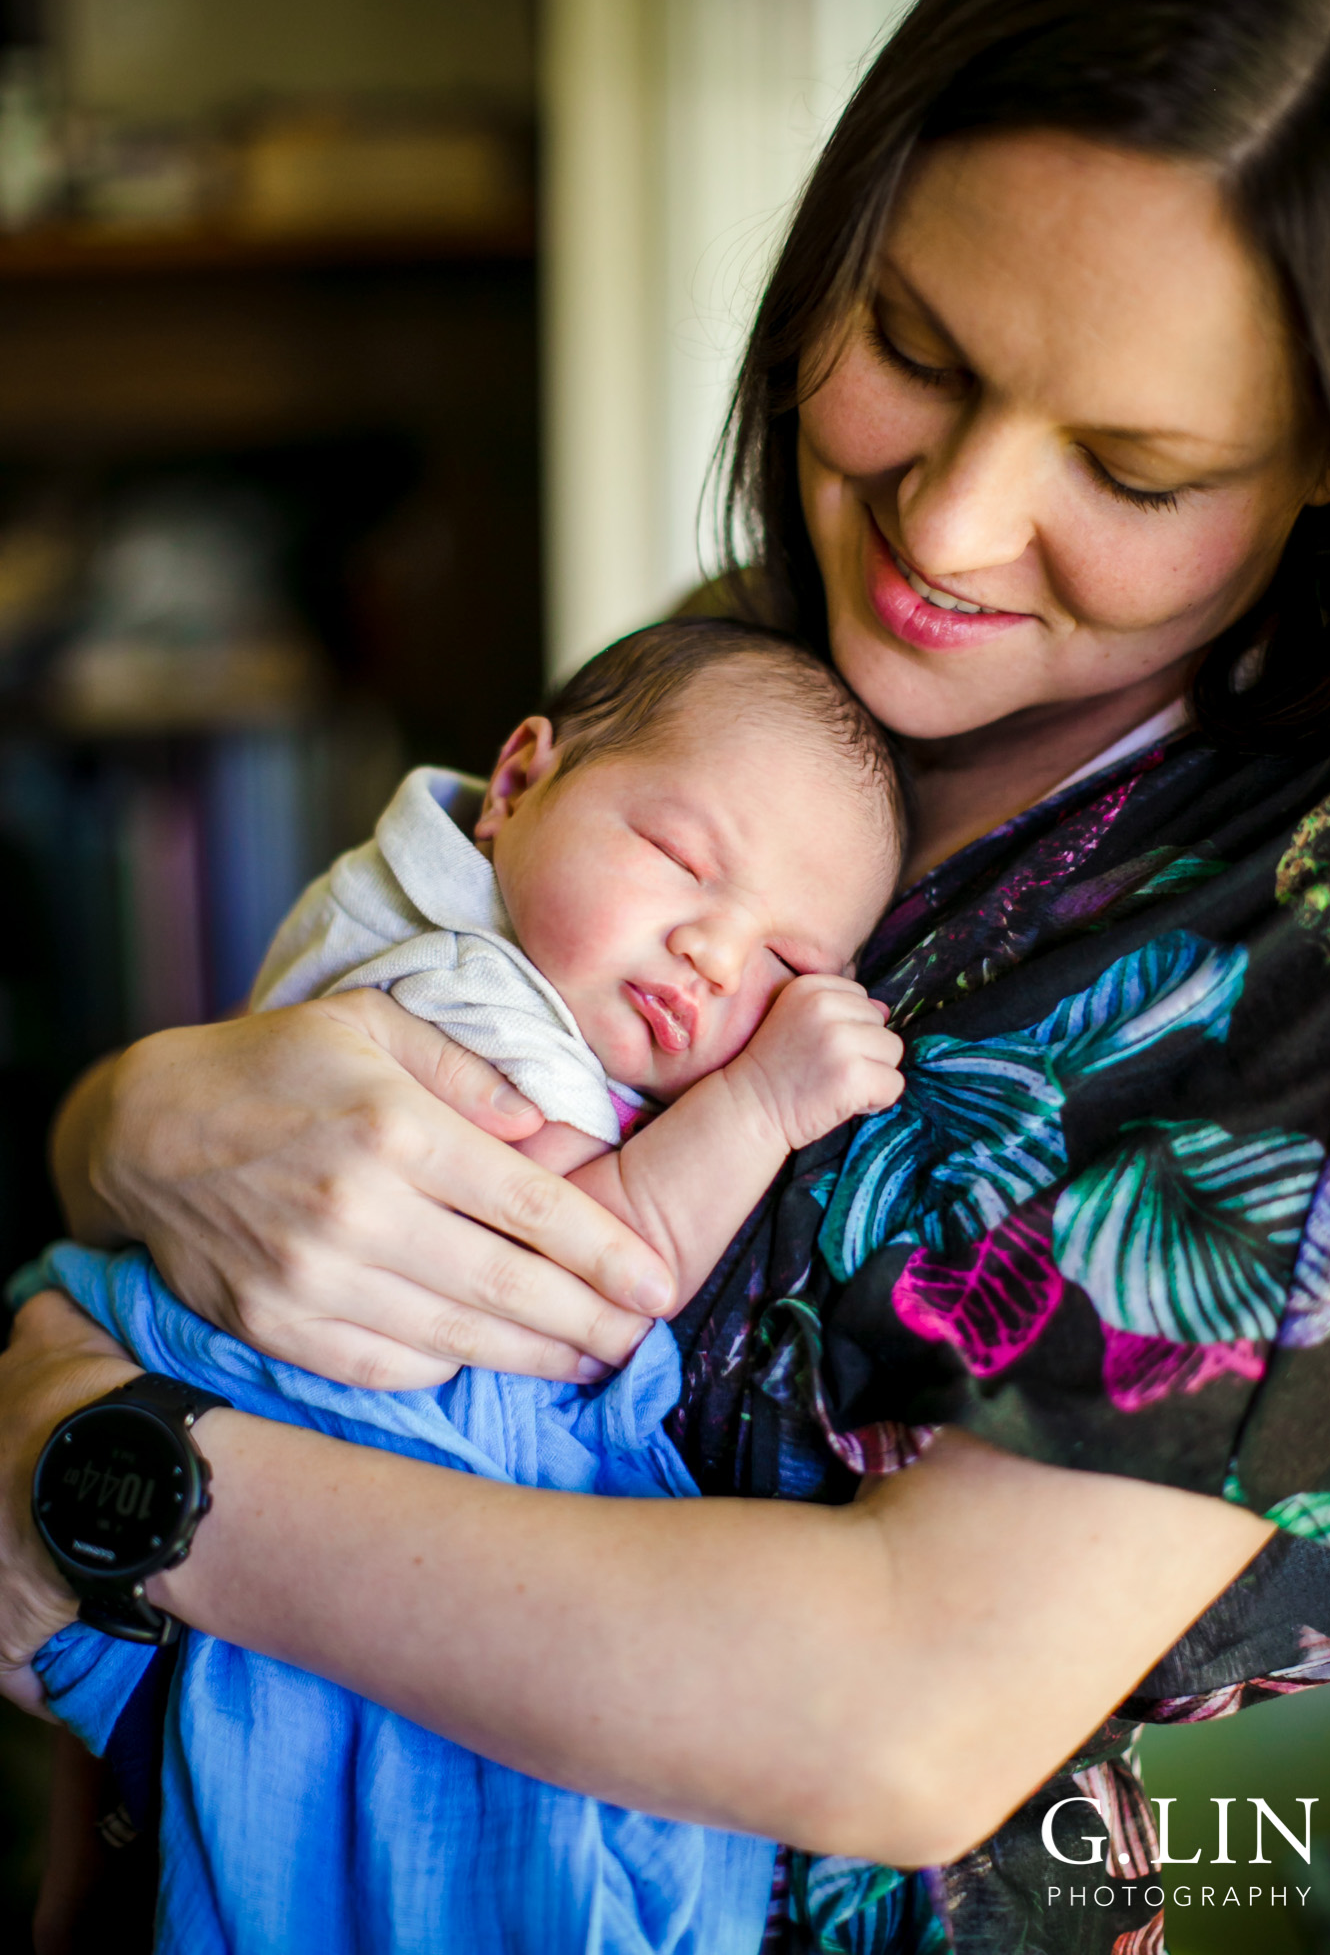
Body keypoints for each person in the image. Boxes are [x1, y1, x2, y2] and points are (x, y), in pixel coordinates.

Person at [6, 0, 1330, 1949]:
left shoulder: (1306, 941)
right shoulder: (740, 681)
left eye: (1122, 463)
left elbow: (889, 1713)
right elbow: (344, 1053)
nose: (948, 526)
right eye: (913, 348)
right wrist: (132, 1118)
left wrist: (100, 1476)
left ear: (1329, 471)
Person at [17, 620, 908, 1954]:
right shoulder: (473, 996)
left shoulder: (466, 924)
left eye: (788, 965)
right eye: (676, 857)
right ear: (513, 785)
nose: (716, 956)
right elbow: (579, 1279)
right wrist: (764, 1102)